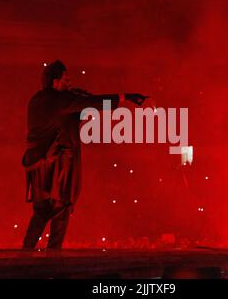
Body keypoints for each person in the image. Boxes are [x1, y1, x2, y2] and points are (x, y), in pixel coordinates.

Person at [22, 60, 147, 249]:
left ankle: (26, 251)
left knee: (41, 210)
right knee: (60, 208)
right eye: (66, 79)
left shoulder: (36, 100)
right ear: (55, 82)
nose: (69, 82)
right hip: (58, 163)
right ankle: (53, 256)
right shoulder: (61, 100)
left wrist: (77, 99)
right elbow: (92, 104)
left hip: (37, 165)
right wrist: (126, 97)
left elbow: (68, 116)